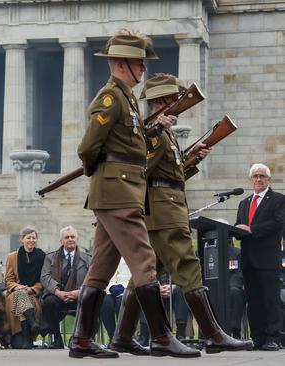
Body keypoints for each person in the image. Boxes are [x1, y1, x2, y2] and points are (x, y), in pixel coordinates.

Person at [72, 29, 196, 358]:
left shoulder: (125, 97)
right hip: (118, 192)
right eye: (139, 65)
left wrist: (152, 129)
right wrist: (101, 173)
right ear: (122, 63)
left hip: (121, 189)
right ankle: (161, 337)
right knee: (144, 261)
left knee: (101, 265)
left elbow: (131, 142)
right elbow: (88, 147)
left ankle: (81, 340)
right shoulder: (110, 97)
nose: (144, 71)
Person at [110, 74, 251, 355]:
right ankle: (213, 335)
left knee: (145, 274)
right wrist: (151, 133)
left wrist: (193, 157)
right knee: (188, 267)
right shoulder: (151, 133)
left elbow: (171, 175)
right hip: (163, 213)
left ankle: (123, 336)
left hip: (167, 208)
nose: (179, 104)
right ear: (161, 102)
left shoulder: (165, 134)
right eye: (174, 99)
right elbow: (141, 171)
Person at [234, 163, 285, 351]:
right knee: (253, 301)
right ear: (250, 180)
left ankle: (273, 338)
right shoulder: (244, 203)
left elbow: (278, 223)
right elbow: (239, 225)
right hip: (248, 259)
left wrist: (251, 229)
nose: (258, 179)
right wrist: (232, 230)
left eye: (262, 176)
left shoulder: (279, 199)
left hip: (268, 258)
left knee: (270, 300)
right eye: (255, 176)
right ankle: (258, 337)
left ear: (268, 179)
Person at [41, 226, 91, 349]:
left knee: (90, 301)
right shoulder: (50, 258)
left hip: (79, 295)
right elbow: (45, 277)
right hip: (57, 296)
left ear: (77, 239)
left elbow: (91, 280)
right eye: (67, 237)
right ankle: (56, 339)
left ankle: (77, 339)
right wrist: (58, 292)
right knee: (48, 302)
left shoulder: (88, 258)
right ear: (61, 241)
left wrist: (79, 292)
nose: (70, 239)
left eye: (72, 237)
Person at [4, 227, 45, 349]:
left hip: (32, 294)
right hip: (15, 293)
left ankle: (28, 335)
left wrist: (31, 289)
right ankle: (32, 323)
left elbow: (43, 280)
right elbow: (9, 280)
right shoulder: (12, 257)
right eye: (28, 238)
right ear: (22, 239)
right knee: (19, 294)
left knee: (22, 295)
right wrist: (18, 287)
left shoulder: (41, 256)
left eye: (34, 238)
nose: (31, 240)